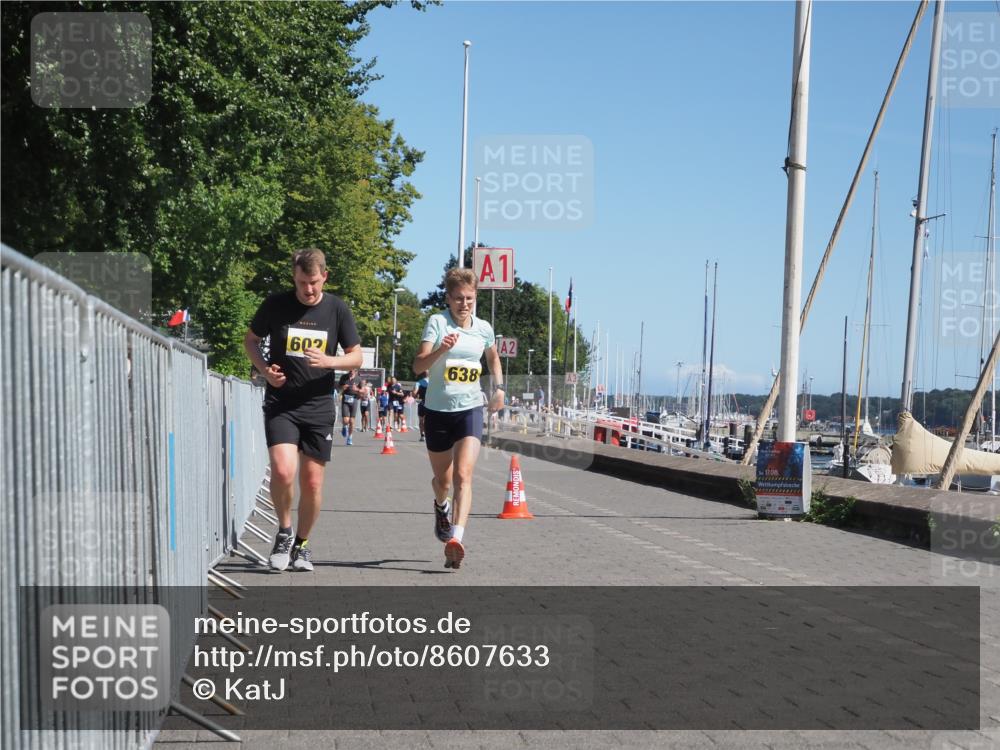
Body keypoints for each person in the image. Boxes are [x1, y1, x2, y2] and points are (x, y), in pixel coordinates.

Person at [243, 248, 362, 572]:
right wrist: (264, 370)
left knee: (311, 483)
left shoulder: (337, 309)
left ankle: (302, 544)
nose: (307, 290)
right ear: (293, 278)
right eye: (301, 283)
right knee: (283, 471)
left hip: (318, 405)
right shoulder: (276, 305)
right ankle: (284, 532)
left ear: (324, 276)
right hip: (282, 403)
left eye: (313, 282)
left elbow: (355, 356)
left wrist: (330, 361)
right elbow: (250, 340)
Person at [413, 268, 504, 570]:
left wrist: (499, 388)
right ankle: (441, 506)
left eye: (469, 299)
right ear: (448, 298)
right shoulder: (437, 322)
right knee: (443, 481)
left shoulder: (484, 328)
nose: (464, 304)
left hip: (470, 408)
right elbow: (417, 366)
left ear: (475, 298)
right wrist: (442, 349)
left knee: (463, 476)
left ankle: (456, 539)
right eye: (458, 299)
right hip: (438, 410)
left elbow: (493, 358)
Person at [338, 368, 362, 445]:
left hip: (354, 399)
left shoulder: (359, 379)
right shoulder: (344, 377)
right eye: (350, 371)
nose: (351, 372)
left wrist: (357, 389)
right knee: (346, 420)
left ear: (355, 371)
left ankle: (350, 437)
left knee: (351, 421)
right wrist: (343, 387)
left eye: (352, 371)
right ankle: (344, 426)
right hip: (345, 399)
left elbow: (362, 390)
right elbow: (339, 387)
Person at [416, 371, 429, 442]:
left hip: (423, 402)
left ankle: (423, 435)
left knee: (422, 420)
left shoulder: (419, 382)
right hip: (429, 403)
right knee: (425, 420)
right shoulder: (433, 381)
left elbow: (414, 393)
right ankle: (424, 435)